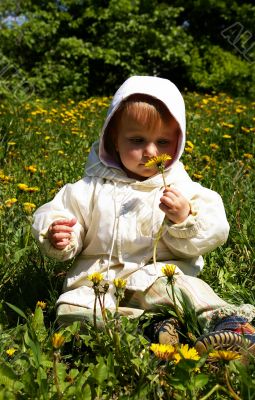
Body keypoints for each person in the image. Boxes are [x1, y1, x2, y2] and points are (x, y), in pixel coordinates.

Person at [32, 76, 255, 355]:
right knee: (71, 309)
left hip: (159, 274)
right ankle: (149, 330)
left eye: (163, 141)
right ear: (113, 139)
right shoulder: (89, 188)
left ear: (178, 141)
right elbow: (60, 212)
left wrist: (185, 218)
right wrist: (61, 233)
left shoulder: (180, 187)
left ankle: (229, 326)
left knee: (188, 290)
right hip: (99, 280)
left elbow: (215, 228)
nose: (151, 152)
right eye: (137, 140)